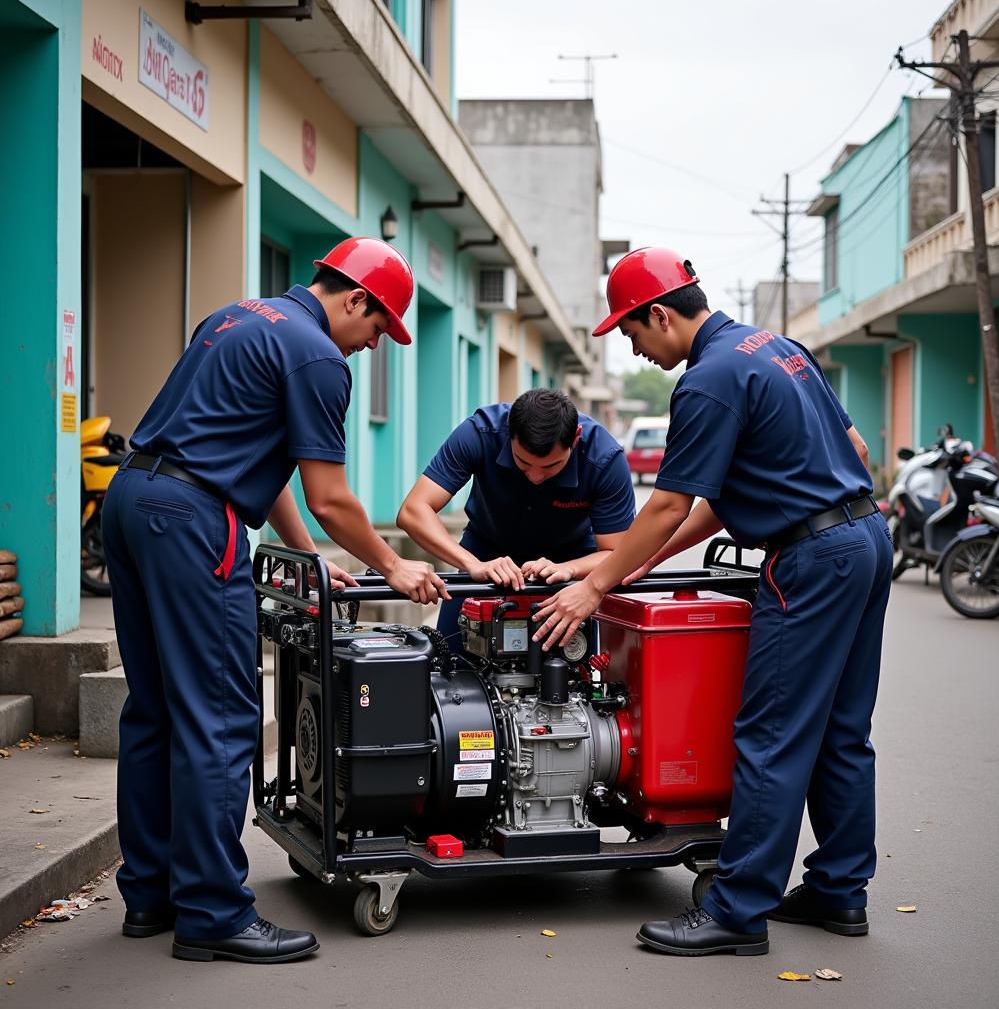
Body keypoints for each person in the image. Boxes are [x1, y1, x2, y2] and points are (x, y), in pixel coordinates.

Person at [532, 247, 892, 957]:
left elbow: (667, 504)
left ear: (661, 313)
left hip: (811, 558)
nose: (634, 345)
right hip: (866, 536)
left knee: (770, 735)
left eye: (632, 332)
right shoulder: (778, 349)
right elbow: (834, 454)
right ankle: (839, 890)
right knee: (841, 732)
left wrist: (594, 584)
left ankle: (737, 911)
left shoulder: (708, 380)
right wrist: (633, 563)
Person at [102, 237, 448, 964]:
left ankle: (152, 894)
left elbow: (271, 462)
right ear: (355, 299)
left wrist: (306, 560)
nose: (374, 344)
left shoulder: (237, 317)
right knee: (222, 718)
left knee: (156, 709)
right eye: (380, 327)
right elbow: (330, 495)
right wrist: (394, 564)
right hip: (195, 518)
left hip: (134, 498)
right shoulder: (317, 355)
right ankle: (213, 913)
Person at [397, 388, 635, 652]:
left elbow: (618, 552)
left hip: (571, 558)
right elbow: (413, 511)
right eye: (523, 462)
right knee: (448, 661)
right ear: (509, 432)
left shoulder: (605, 458)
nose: (535, 476)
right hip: (485, 550)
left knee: (577, 666)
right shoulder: (480, 432)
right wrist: (473, 564)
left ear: (576, 439)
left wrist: (570, 569)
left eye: (550, 466)